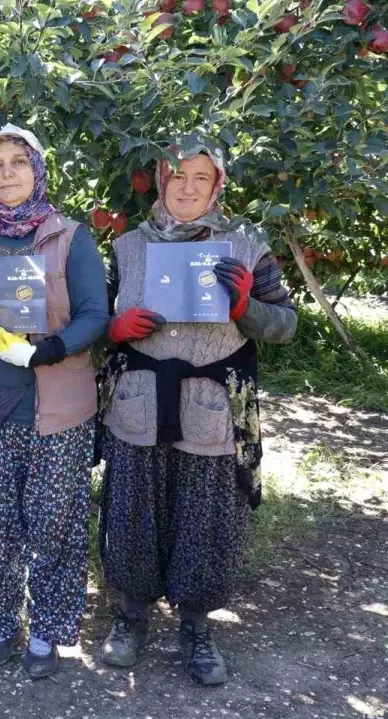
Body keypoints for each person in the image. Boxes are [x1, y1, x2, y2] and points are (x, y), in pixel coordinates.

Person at [95, 137, 297, 685]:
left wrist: (245, 307)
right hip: (138, 402)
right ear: (161, 180)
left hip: (211, 407)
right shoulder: (127, 245)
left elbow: (285, 324)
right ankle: (131, 616)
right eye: (177, 175)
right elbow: (93, 314)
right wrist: (111, 330)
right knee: (133, 508)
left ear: (218, 185)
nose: (187, 187)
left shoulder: (245, 245)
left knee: (205, 516)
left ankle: (195, 625)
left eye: (200, 177)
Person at [0, 124, 108, 678]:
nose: (7, 173)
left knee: (55, 522)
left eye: (19, 162)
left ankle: (47, 632)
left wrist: (46, 352)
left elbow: (94, 314)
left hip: (56, 409)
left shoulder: (71, 237)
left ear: (38, 170)